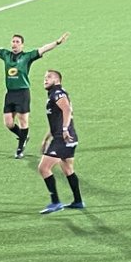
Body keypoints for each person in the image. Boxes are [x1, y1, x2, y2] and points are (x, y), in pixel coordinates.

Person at [0, 28, 70, 158]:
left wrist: (58, 42)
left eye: (17, 42)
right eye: (13, 41)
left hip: (23, 93)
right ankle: (23, 136)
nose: (14, 44)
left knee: (23, 121)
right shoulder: (5, 54)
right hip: (10, 93)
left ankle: (20, 149)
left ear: (22, 44)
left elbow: (43, 49)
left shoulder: (27, 56)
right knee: (8, 123)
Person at [38, 69, 84, 214]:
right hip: (67, 137)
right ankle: (78, 201)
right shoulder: (54, 94)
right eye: (44, 77)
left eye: (49, 77)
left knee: (43, 168)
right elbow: (56, 121)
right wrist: (46, 138)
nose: (45, 79)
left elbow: (67, 110)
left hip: (63, 138)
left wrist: (64, 130)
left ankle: (55, 202)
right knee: (68, 169)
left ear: (57, 80)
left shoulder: (58, 93)